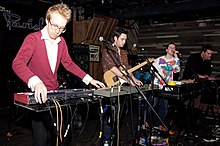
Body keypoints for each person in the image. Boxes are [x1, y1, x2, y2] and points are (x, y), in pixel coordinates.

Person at [12, 3, 105, 146]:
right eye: (55, 26)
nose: (58, 31)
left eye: (62, 28)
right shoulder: (33, 39)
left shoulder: (61, 42)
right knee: (41, 138)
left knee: (57, 136)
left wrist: (89, 79)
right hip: (37, 95)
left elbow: (68, 63)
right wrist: (35, 82)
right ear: (47, 20)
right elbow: (17, 63)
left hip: (54, 94)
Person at [100, 27, 143, 145]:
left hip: (122, 86)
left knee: (120, 114)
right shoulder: (107, 50)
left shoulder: (124, 53)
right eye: (122, 39)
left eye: (125, 39)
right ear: (115, 38)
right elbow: (113, 68)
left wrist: (134, 79)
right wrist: (128, 79)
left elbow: (127, 68)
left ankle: (115, 138)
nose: (124, 42)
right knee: (110, 115)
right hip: (110, 84)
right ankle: (106, 140)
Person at [148, 42, 180, 131]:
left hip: (167, 87)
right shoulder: (159, 59)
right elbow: (152, 70)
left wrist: (177, 57)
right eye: (170, 47)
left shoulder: (174, 60)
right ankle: (145, 122)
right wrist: (161, 72)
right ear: (166, 49)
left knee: (164, 108)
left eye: (174, 47)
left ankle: (157, 124)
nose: (172, 49)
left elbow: (177, 70)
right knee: (152, 105)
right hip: (157, 85)